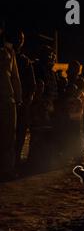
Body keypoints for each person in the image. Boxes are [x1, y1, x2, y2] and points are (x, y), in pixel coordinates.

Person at [3, 29, 36, 167]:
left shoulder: (23, 60)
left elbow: (28, 83)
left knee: (17, 135)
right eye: (17, 39)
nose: (20, 42)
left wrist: (23, 100)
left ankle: (13, 162)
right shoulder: (7, 53)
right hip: (7, 100)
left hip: (18, 102)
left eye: (21, 39)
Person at [0, 27, 22, 181]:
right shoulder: (7, 52)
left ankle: (7, 169)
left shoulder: (9, 52)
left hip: (8, 98)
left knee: (8, 137)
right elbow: (15, 77)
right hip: (7, 99)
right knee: (7, 137)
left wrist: (18, 96)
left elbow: (15, 77)